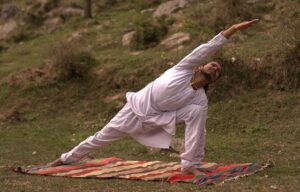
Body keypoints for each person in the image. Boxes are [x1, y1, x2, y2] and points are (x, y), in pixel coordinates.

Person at [47, 19, 259, 175]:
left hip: (157, 121)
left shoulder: (199, 99)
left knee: (196, 113)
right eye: (213, 64)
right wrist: (232, 30)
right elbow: (207, 48)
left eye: (218, 70)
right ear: (201, 65)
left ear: (214, 80)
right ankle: (66, 159)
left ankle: (189, 164)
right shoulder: (183, 68)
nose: (215, 67)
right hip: (133, 111)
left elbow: (199, 130)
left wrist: (198, 158)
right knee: (100, 138)